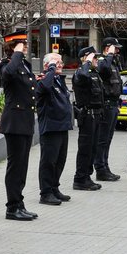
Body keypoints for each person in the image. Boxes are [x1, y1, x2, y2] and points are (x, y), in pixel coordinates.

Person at [0, 31, 38, 221]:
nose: (26, 46)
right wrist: (17, 54)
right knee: (15, 166)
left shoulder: (24, 65)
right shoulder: (5, 65)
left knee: (22, 165)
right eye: (22, 44)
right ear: (13, 46)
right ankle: (12, 206)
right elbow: (8, 75)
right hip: (14, 121)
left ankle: (19, 203)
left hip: (26, 120)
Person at [36, 52, 73, 204]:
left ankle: (54, 187)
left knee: (60, 160)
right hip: (51, 126)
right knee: (48, 161)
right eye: (56, 63)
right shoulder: (44, 79)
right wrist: (50, 69)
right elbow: (44, 87)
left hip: (62, 126)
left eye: (61, 62)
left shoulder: (58, 80)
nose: (60, 65)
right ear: (47, 65)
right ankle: (45, 192)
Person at [71, 46, 105, 190]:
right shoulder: (80, 73)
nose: (96, 60)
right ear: (85, 58)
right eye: (93, 57)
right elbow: (83, 77)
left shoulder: (94, 73)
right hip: (87, 115)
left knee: (93, 148)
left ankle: (87, 176)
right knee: (85, 148)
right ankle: (79, 179)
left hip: (96, 115)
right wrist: (87, 62)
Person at [94, 38, 123, 182]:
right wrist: (109, 55)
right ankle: (100, 169)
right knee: (102, 139)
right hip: (105, 105)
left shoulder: (112, 62)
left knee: (108, 139)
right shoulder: (102, 61)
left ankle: (105, 167)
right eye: (114, 48)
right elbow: (103, 71)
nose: (117, 51)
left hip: (112, 105)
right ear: (107, 48)